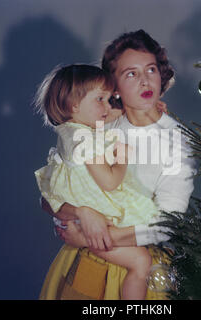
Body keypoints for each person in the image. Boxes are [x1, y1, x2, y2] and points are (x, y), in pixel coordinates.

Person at [39, 29, 196, 300]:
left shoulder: (174, 142)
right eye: (130, 74)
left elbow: (168, 221)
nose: (144, 81)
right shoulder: (98, 126)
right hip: (86, 263)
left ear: (161, 76)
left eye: (151, 70)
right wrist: (81, 212)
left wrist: (90, 236)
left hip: (139, 264)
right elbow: (50, 193)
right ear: (114, 86)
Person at [34, 64, 166, 300]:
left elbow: (117, 115)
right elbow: (110, 182)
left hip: (100, 226)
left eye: (110, 99)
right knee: (140, 262)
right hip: (98, 234)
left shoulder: (74, 130)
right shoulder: (86, 140)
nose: (109, 107)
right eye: (101, 100)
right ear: (74, 105)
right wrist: (123, 156)